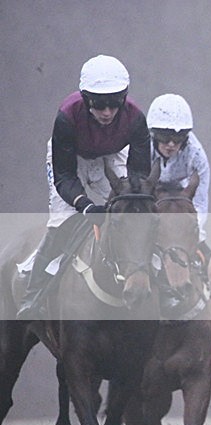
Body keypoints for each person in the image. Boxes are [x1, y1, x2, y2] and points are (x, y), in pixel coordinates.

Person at [17, 54, 151, 320]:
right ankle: (33, 293)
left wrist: (129, 201)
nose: (107, 112)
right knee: (62, 221)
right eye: (99, 104)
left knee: (135, 216)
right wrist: (85, 205)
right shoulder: (66, 118)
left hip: (111, 156)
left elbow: (140, 175)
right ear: (86, 98)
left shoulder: (136, 119)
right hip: (72, 159)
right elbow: (64, 177)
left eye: (114, 104)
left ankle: (154, 278)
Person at [147, 93, 211, 263]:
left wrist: (195, 233)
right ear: (153, 134)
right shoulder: (140, 148)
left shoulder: (197, 155)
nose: (171, 145)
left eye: (178, 139)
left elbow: (200, 203)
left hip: (181, 192)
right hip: (150, 191)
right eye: (164, 137)